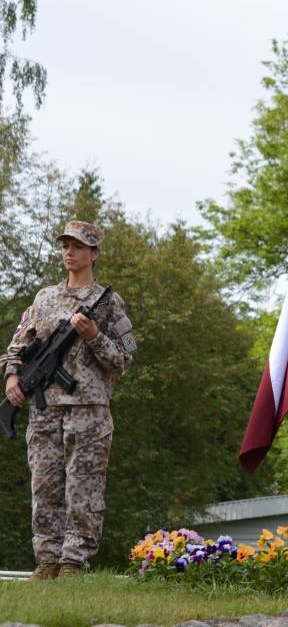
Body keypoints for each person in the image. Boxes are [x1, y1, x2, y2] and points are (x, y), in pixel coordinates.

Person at [4, 221, 135, 580]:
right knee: (44, 485)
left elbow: (124, 359)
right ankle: (47, 561)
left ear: (94, 254)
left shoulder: (109, 303)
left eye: (78, 246)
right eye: (65, 246)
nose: (69, 252)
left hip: (89, 411)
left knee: (84, 487)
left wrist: (94, 336)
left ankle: (73, 563)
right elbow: (17, 344)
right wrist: (13, 376)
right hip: (44, 410)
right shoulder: (44, 298)